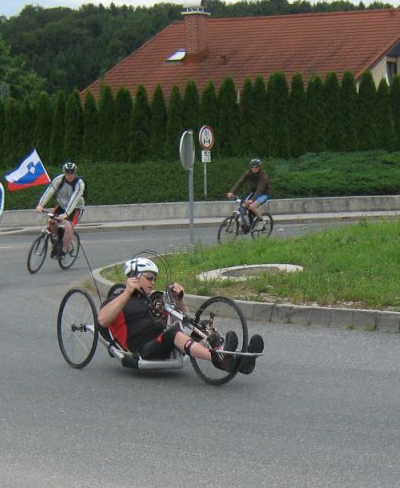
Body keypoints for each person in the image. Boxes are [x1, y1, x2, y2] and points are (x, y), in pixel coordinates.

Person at [97, 257, 264, 374]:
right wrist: (127, 293)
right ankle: (222, 359)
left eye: (155, 278)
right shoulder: (117, 300)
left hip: (166, 342)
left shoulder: (153, 301)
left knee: (202, 326)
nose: (153, 282)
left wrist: (179, 300)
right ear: (134, 277)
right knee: (174, 333)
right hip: (144, 349)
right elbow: (102, 320)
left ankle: (242, 362)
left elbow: (184, 319)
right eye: (149, 277)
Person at [35, 161, 85, 258]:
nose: (70, 176)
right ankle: (56, 245)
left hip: (76, 208)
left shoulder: (80, 183)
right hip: (62, 206)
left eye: (72, 173)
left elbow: (74, 200)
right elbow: (50, 191)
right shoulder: (59, 179)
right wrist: (41, 205)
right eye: (67, 173)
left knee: (69, 226)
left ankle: (64, 250)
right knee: (51, 221)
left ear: (75, 173)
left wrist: (66, 214)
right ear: (64, 173)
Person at [227, 158, 271, 231]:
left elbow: (260, 189)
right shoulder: (248, 173)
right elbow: (240, 182)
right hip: (254, 193)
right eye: (252, 167)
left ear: (259, 167)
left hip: (264, 194)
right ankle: (244, 226)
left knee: (252, 206)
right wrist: (232, 192)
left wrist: (251, 200)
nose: (254, 168)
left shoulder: (263, 176)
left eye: (256, 167)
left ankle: (262, 223)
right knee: (243, 207)